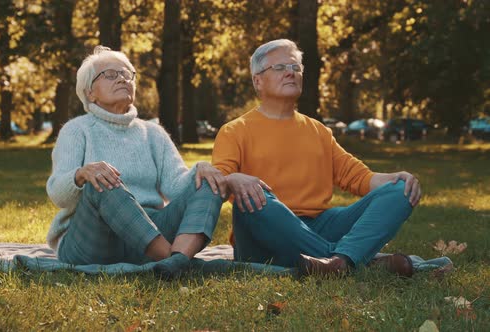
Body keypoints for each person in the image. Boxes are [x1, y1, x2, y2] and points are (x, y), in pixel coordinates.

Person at [212, 39, 422, 277]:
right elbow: (218, 180)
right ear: (257, 80)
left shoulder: (319, 131)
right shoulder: (234, 130)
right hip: (264, 230)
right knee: (254, 197)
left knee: (401, 189)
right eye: (280, 67)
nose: (290, 73)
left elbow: (359, 177)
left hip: (319, 225)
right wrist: (235, 179)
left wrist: (394, 179)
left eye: (295, 68)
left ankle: (339, 263)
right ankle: (358, 260)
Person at [46, 46, 226, 279]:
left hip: (150, 232)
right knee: (102, 178)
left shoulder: (153, 133)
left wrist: (199, 170)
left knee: (210, 180)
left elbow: (176, 188)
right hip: (94, 241)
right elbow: (59, 195)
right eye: (110, 74)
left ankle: (177, 260)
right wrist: (82, 174)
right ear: (90, 92)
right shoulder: (76, 130)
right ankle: (173, 260)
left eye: (126, 74)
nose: (122, 78)